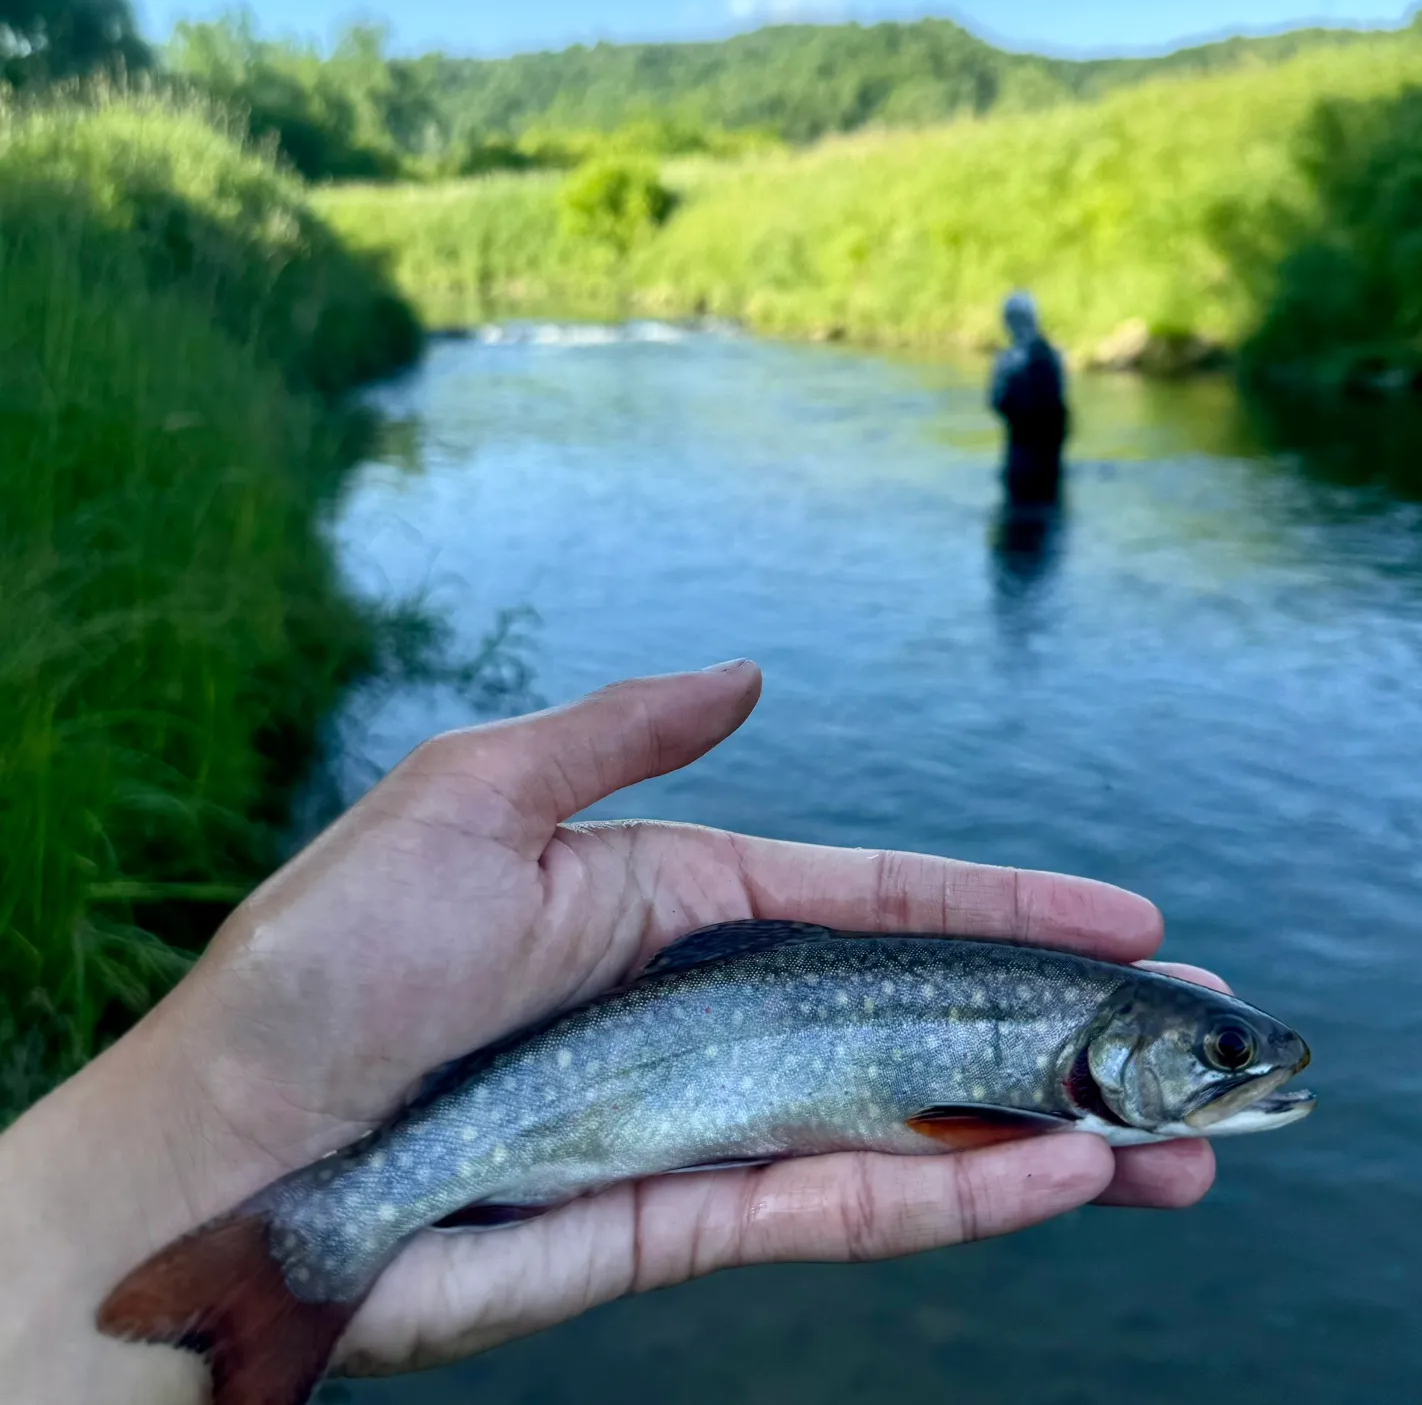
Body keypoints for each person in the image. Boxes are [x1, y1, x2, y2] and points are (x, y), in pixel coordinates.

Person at [0, 664, 1220, 1403]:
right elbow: (952, 1124)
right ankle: (295, 1255)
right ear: (1124, 1047)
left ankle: (260, 1271)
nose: (1241, 1070)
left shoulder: (1060, 1049)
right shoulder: (1052, 1060)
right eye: (1219, 1055)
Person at [988, 291, 1069, 505]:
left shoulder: (1006, 361)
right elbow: (1061, 403)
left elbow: (996, 401)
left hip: (1021, 447)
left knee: (1018, 508)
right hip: (1050, 448)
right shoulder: (1055, 354)